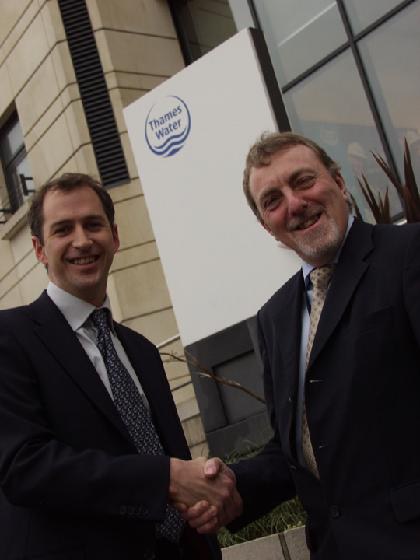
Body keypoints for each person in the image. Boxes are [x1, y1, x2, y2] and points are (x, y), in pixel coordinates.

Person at [185, 132, 420, 560]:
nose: (294, 204)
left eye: (303, 181)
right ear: (266, 225)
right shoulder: (274, 318)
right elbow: (295, 451)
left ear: (339, 182)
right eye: (272, 200)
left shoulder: (408, 253)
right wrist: (231, 488)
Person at [0, 173, 240, 560]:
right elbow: (24, 467)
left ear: (114, 237)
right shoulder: (10, 338)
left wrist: (203, 501)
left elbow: (175, 466)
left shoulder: (142, 352)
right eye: (63, 229)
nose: (82, 240)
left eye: (93, 224)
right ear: (39, 249)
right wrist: (164, 479)